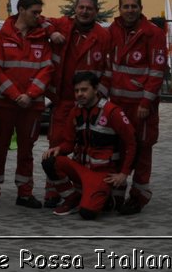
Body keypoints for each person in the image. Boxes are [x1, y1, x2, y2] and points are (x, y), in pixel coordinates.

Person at [42, 0, 111, 205]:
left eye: (89, 8)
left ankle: (85, 189)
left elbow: (109, 70)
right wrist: (52, 33)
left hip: (90, 104)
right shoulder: (63, 25)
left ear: (96, 12)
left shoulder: (103, 36)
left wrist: (99, 98)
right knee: (57, 143)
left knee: (87, 147)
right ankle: (54, 192)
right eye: (81, 7)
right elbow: (40, 20)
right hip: (63, 99)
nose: (84, 11)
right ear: (75, 9)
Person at [0, 0, 52, 209]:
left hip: (31, 106)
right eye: (35, 12)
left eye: (40, 13)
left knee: (26, 151)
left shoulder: (42, 36)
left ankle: (25, 193)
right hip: (6, 104)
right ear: (21, 10)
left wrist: (30, 95)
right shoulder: (1, 36)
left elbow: (47, 69)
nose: (39, 17)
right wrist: (16, 96)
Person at [42, 71, 136, 219]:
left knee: (87, 213)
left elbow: (131, 143)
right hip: (81, 168)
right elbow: (69, 143)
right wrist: (58, 149)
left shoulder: (112, 112)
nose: (80, 94)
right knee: (49, 161)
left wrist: (123, 174)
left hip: (102, 174)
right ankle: (73, 198)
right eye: (77, 90)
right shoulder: (75, 111)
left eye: (84, 90)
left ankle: (106, 200)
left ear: (96, 89)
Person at [107, 0, 166, 213]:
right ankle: (116, 195)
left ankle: (139, 195)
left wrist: (145, 102)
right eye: (126, 6)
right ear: (119, 8)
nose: (130, 10)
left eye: (134, 6)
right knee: (117, 148)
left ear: (141, 8)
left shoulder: (153, 33)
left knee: (142, 150)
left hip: (141, 107)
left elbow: (157, 71)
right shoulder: (112, 31)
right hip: (116, 104)